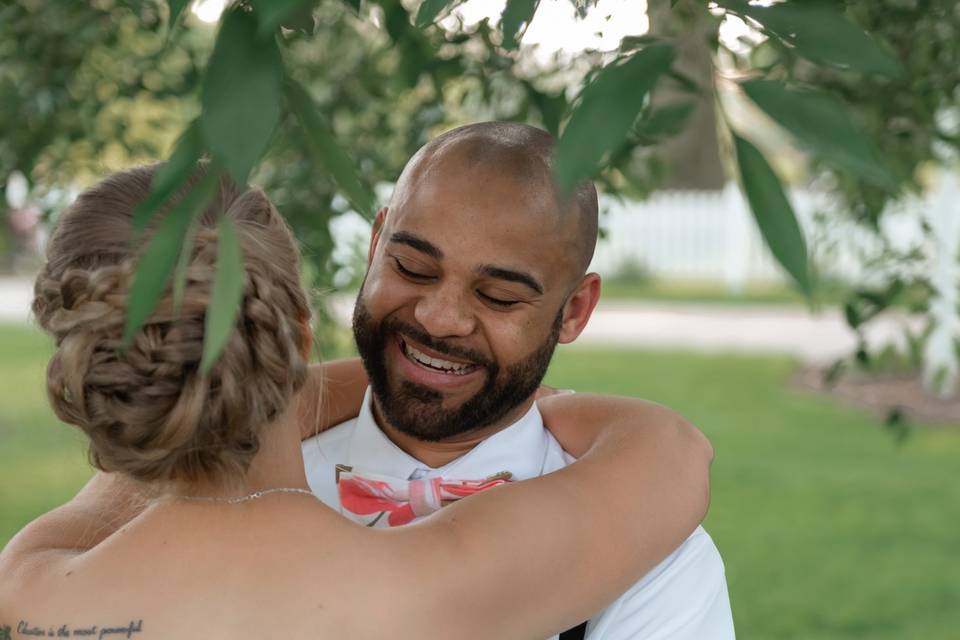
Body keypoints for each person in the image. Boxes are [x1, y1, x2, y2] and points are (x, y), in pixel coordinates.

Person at [0, 162, 714, 639]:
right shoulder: (421, 589)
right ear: (300, 337)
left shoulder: (31, 593)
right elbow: (673, 458)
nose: (439, 320)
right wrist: (586, 407)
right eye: (409, 267)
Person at [300, 122, 735, 638]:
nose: (439, 318)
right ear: (376, 245)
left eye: (498, 296)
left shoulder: (656, 549)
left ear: (574, 310)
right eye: (413, 267)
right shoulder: (239, 479)